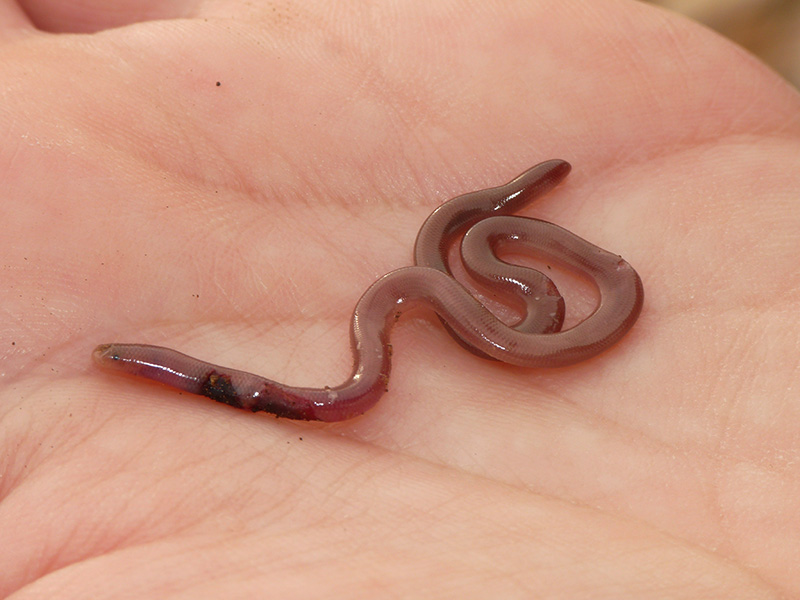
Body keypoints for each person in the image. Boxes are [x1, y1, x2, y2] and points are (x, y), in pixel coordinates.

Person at [2, 1, 799, 597]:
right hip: (481, 284)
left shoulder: (486, 269)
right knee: (472, 284)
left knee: (485, 276)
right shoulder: (464, 278)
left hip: (488, 281)